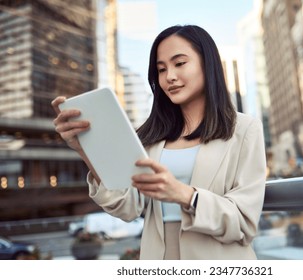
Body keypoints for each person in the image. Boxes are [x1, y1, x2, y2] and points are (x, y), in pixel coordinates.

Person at [52, 24, 267, 260]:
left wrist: (185, 195)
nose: (169, 77)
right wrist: (86, 149)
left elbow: (244, 222)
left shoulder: (245, 130)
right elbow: (126, 207)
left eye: (180, 63)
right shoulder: (150, 138)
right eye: (161, 69)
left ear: (208, 64)